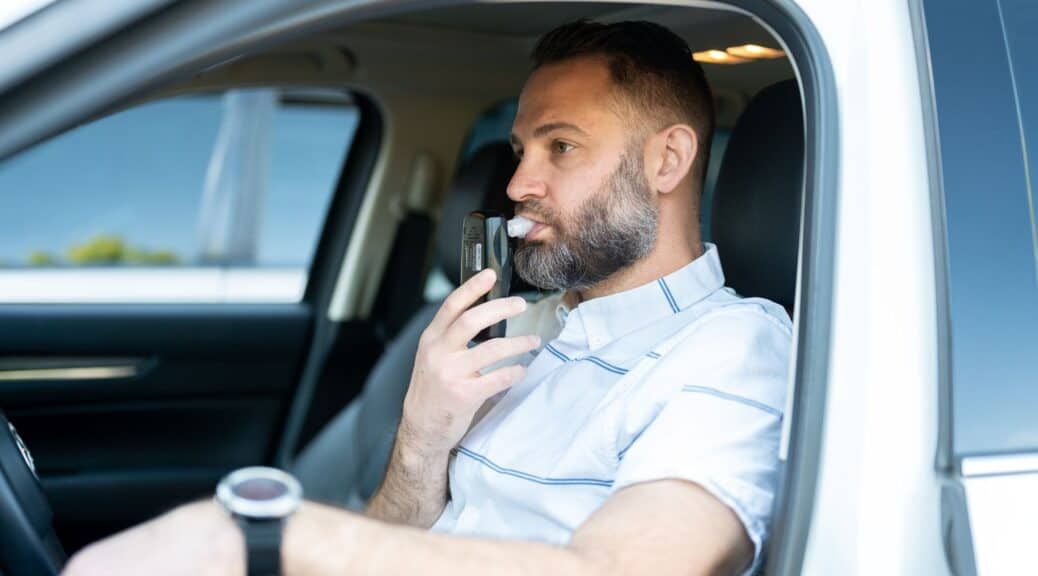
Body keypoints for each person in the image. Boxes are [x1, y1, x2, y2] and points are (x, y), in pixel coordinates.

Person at [63, 19, 790, 576]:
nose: (516, 185)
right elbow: (394, 535)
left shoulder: (735, 349)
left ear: (667, 160)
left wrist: (262, 535)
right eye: (520, 149)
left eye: (560, 147)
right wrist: (422, 434)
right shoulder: (523, 324)